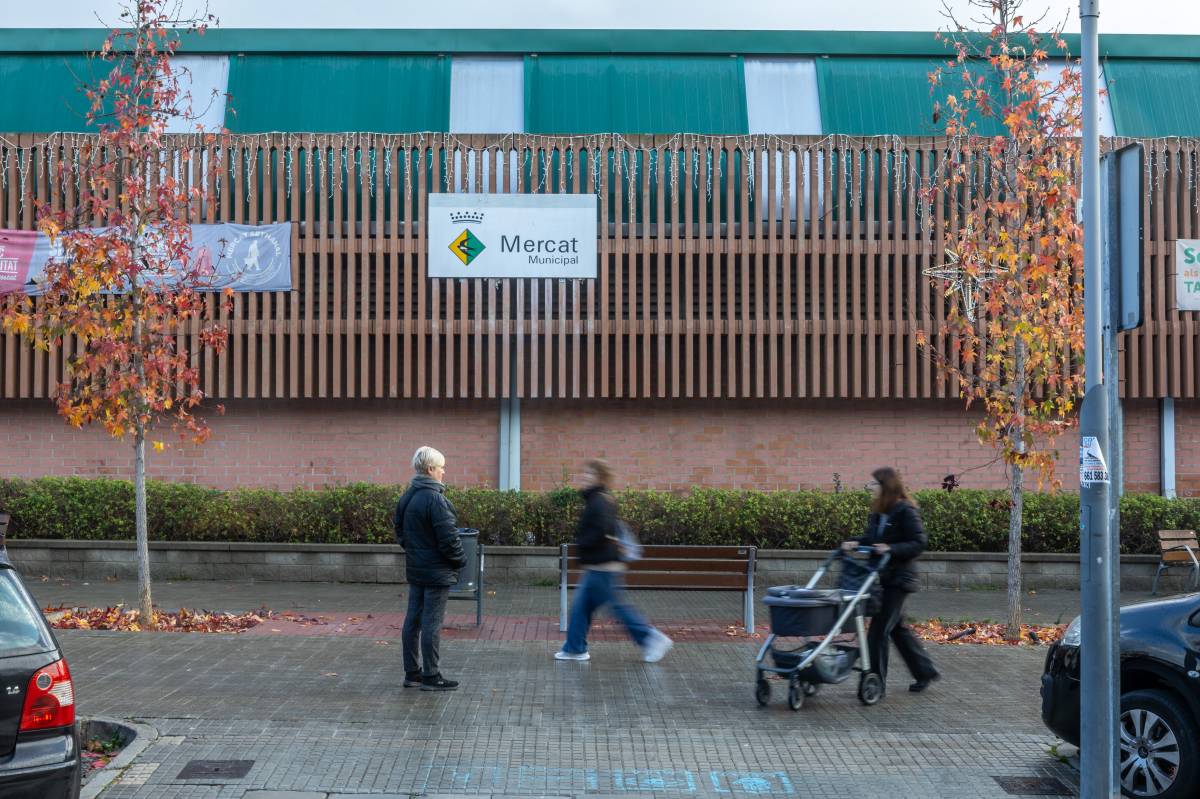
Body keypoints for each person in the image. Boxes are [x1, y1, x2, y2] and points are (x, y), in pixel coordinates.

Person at [555, 459, 673, 663]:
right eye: (584, 473)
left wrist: (582, 542)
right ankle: (575, 648)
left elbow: (602, 530)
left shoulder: (599, 501)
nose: (584, 477)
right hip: (597, 566)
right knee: (581, 609)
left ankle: (651, 637)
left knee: (617, 608)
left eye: (589, 474)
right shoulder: (600, 499)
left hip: (603, 567)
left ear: (600, 477)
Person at [841, 466, 940, 695]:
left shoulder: (905, 511)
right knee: (897, 629)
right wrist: (854, 542)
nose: (871, 488)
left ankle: (875, 683)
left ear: (886, 487)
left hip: (900, 579)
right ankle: (924, 671)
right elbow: (871, 538)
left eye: (874, 484)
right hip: (882, 577)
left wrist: (891, 548)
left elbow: (918, 542)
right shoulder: (878, 512)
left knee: (877, 630)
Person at [396, 446, 466, 692]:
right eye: (440, 467)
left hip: (416, 568)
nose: (443, 472)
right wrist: (460, 561)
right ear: (430, 469)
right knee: (432, 623)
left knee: (412, 621)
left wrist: (415, 552)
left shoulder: (408, 496)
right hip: (437, 571)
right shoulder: (436, 499)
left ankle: (412, 673)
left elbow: (400, 533)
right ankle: (431, 675)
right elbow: (449, 539)